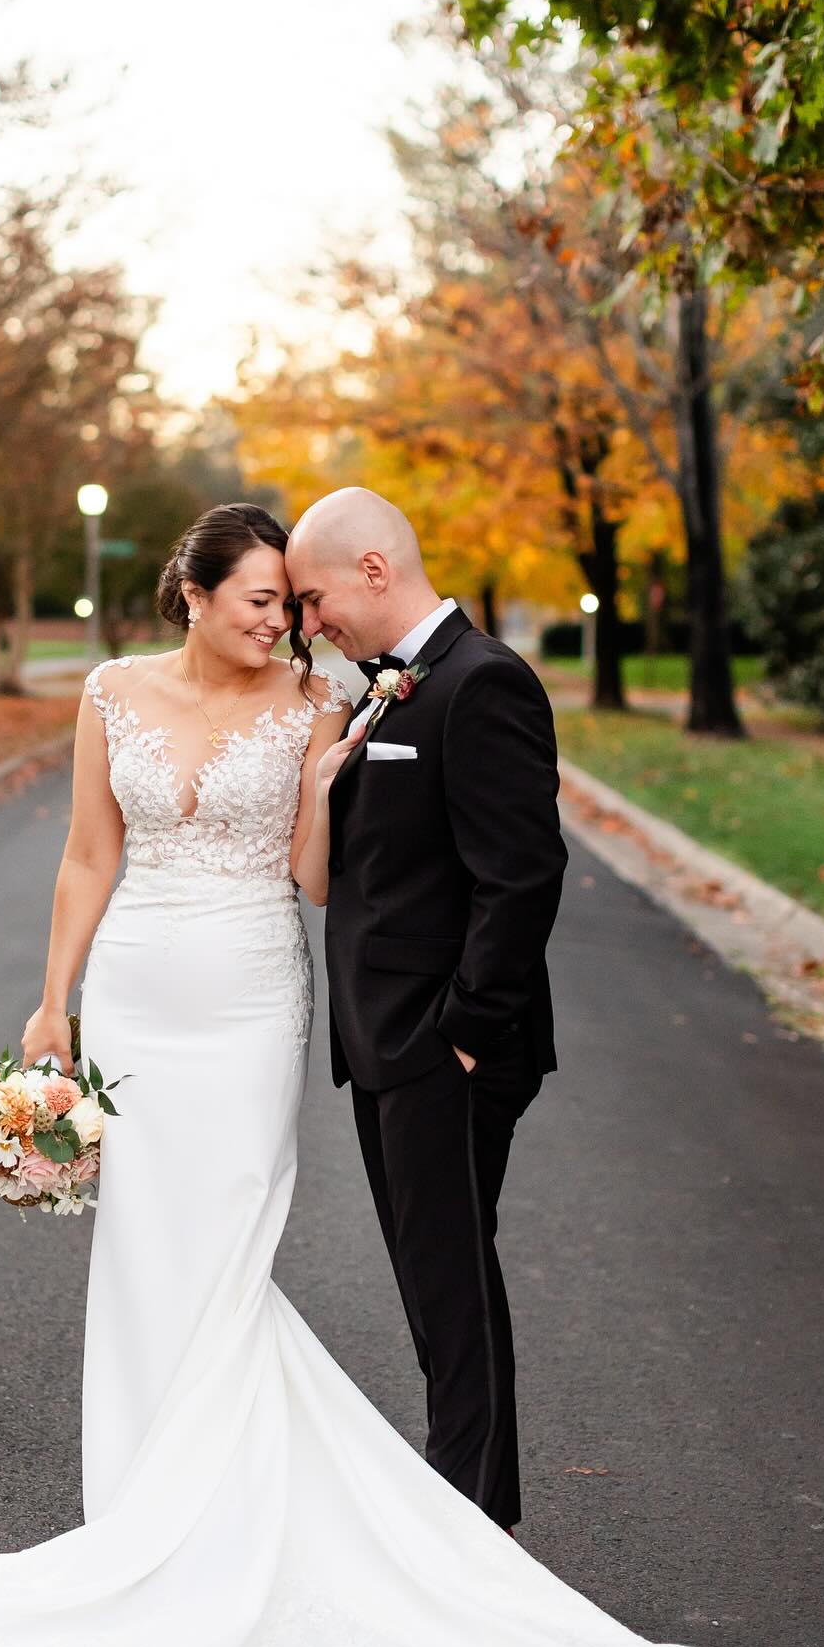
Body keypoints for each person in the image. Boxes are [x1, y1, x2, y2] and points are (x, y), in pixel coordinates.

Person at [0, 499, 696, 1647]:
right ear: (192, 595)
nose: (289, 624)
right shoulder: (109, 693)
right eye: (264, 601)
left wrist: (318, 795)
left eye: (297, 601)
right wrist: (54, 1005)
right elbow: (90, 856)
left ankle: (393, 1529)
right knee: (146, 1255)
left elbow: (332, 881)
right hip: (139, 996)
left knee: (239, 1259)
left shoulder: (331, 702)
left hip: (258, 1004)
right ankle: (147, 1516)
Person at [283, 485, 567, 1535]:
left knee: (449, 1293)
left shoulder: (482, 683)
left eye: (314, 600)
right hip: (388, 1049)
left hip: (440, 1051)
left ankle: (470, 1537)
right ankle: (473, 1519)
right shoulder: (389, 688)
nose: (313, 625)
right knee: (436, 1285)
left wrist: (460, 1034)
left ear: (373, 570)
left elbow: (524, 875)